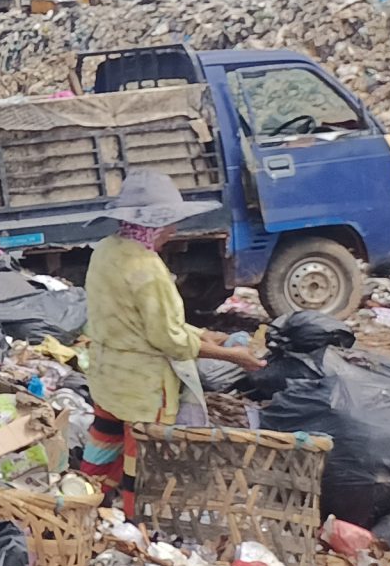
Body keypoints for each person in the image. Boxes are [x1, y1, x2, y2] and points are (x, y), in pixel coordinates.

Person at [79, 168, 268, 497]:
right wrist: (232, 356)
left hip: (106, 375)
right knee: (141, 465)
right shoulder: (148, 269)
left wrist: (204, 334)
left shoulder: (105, 251)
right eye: (168, 223)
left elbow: (135, 321)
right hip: (144, 389)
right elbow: (170, 340)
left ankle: (82, 506)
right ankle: (131, 528)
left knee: (103, 443)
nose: (173, 230)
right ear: (154, 224)